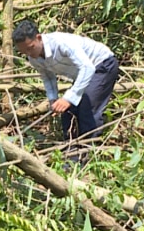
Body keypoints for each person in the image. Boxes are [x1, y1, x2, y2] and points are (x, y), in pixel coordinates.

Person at [11, 19, 121, 154]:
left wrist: (68, 98)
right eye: (24, 52)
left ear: (38, 38)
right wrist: (53, 99)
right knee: (68, 112)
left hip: (101, 65)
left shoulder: (61, 43)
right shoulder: (33, 58)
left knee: (87, 106)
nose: (29, 54)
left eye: (30, 48)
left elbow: (87, 67)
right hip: (82, 74)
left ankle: (89, 152)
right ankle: (71, 152)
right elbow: (48, 77)